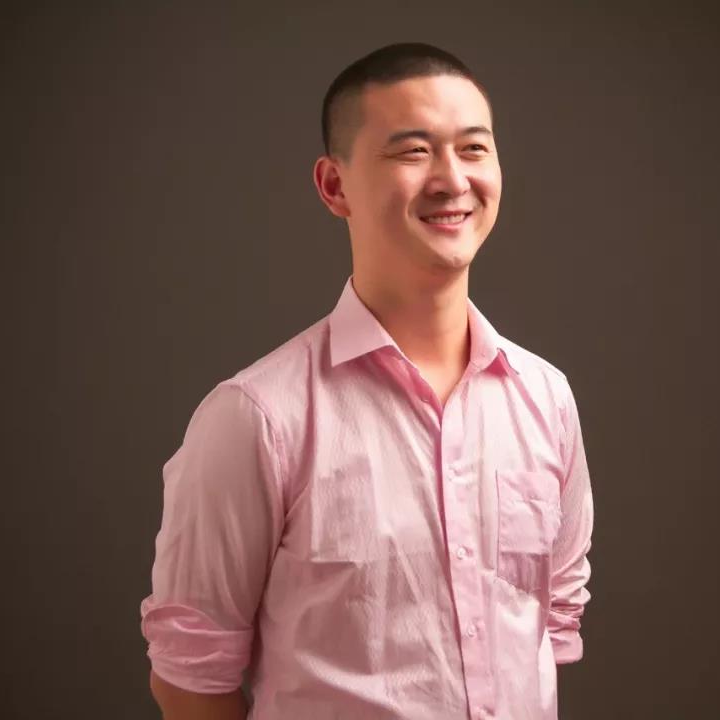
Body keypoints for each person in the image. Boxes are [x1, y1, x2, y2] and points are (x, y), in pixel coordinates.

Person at [140, 42, 594, 720]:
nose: (452, 179)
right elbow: (189, 679)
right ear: (334, 186)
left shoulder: (546, 399)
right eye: (413, 152)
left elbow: (550, 629)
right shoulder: (258, 417)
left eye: (473, 149)